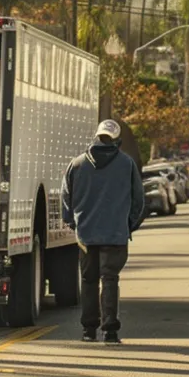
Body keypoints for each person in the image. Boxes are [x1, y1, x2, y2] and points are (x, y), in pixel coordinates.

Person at [62, 120, 145, 345]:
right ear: (117, 140)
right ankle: (110, 331)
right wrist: (128, 225)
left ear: (96, 137)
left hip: (86, 235)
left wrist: (73, 223)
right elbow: (139, 201)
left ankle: (88, 330)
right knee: (110, 279)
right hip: (115, 233)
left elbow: (66, 199)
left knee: (88, 280)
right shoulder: (127, 164)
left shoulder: (76, 164)